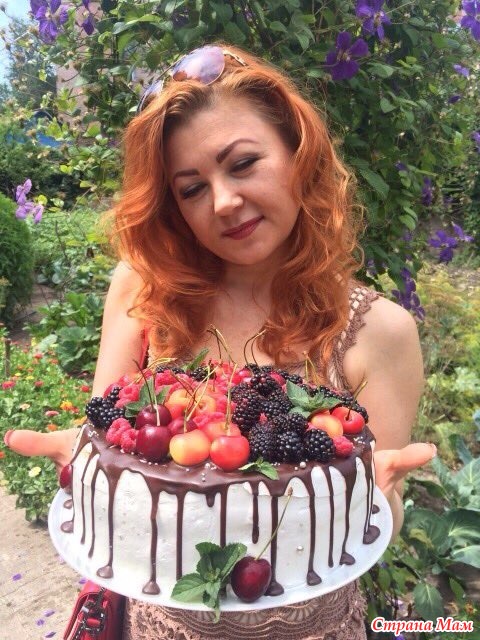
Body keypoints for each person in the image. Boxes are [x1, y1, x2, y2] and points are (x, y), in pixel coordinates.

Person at [5, 42, 436, 639]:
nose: (225, 202)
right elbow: (108, 432)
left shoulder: (378, 331)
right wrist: (85, 457)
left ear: (298, 152)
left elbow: (372, 520)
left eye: (243, 163)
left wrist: (378, 492)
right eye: (191, 189)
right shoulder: (144, 291)